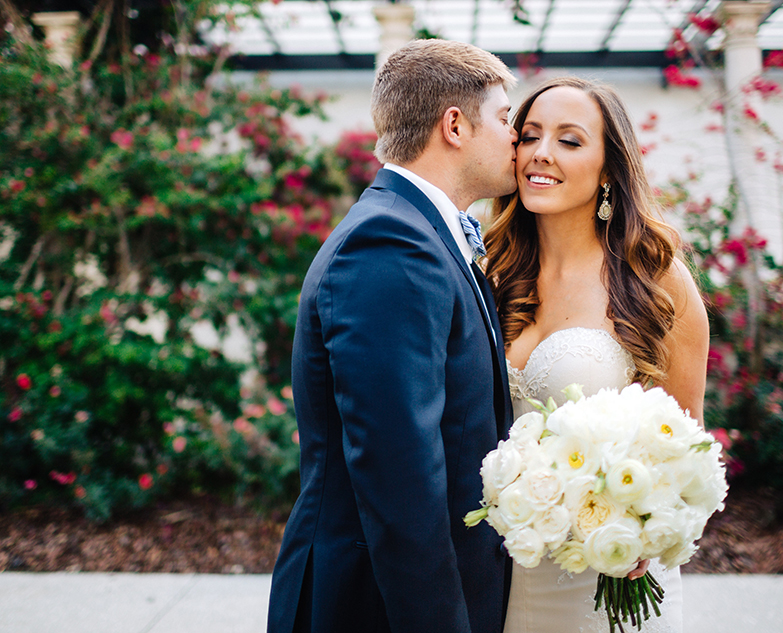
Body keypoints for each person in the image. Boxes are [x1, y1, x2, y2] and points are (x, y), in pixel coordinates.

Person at [266, 39, 518, 633]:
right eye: (506, 118)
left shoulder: (420, 232)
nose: (517, 137)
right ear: (454, 125)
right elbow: (400, 472)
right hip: (376, 607)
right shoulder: (390, 244)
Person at [484, 76, 710, 633]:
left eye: (569, 140)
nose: (541, 153)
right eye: (529, 134)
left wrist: (639, 527)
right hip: (504, 574)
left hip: (610, 576)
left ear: (610, 167)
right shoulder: (489, 272)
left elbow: (689, 447)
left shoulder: (656, 279)